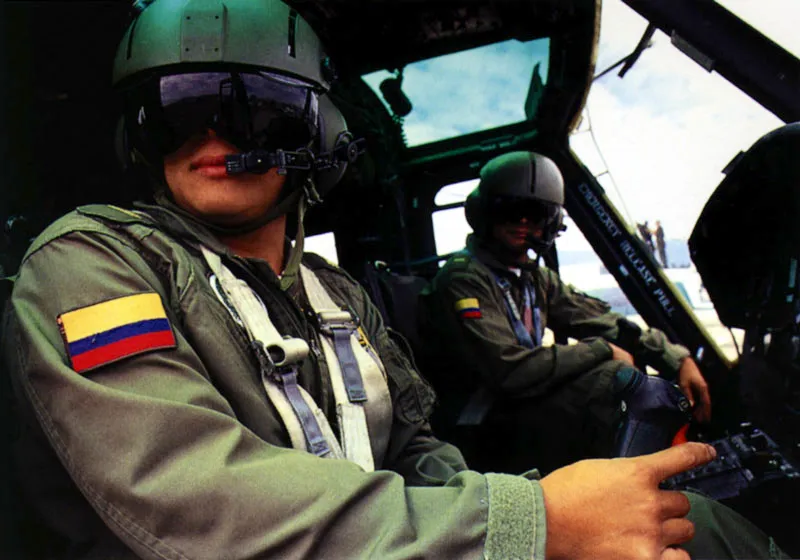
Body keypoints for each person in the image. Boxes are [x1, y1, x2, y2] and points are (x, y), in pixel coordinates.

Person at [0, 3, 786, 559]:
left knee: (692, 528)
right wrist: (527, 524)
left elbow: (414, 449)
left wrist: (526, 514)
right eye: (175, 107)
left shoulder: (335, 296)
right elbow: (194, 505)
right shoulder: (91, 264)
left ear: (319, 136)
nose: (211, 134)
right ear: (139, 135)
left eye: (255, 110)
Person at [418, 151, 712, 475]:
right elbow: (509, 373)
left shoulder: (535, 278)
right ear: (484, 212)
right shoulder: (464, 279)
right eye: (511, 211)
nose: (523, 222)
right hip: (480, 425)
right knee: (612, 380)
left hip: (518, 410)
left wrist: (675, 358)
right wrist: (601, 350)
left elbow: (604, 324)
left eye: (536, 213)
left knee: (624, 374)